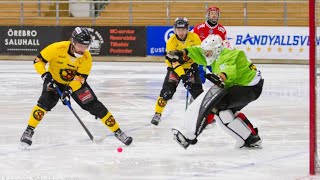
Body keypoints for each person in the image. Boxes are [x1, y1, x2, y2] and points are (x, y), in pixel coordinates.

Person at [20, 27, 133, 148]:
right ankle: (28, 131)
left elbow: (80, 79)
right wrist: (45, 75)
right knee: (44, 104)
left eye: (86, 46)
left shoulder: (86, 58)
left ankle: (118, 132)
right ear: (73, 42)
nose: (83, 50)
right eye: (80, 46)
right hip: (54, 81)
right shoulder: (57, 48)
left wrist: (69, 90)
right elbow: (38, 61)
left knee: (96, 107)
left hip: (75, 83)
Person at [168, 34, 264, 149]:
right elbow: (198, 51)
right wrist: (182, 52)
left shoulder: (227, 55)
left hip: (250, 87)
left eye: (208, 52)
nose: (206, 54)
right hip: (241, 84)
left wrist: (221, 77)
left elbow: (229, 69)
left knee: (217, 107)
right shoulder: (215, 52)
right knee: (224, 114)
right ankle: (252, 138)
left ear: (216, 49)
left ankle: (190, 135)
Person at [151, 17, 203, 126]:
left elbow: (199, 53)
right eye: (178, 30)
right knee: (166, 92)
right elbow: (174, 62)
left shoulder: (195, 38)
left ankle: (202, 114)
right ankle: (157, 113)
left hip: (191, 67)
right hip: (175, 68)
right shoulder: (171, 41)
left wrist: (194, 65)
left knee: (198, 94)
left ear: (187, 29)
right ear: (175, 30)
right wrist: (184, 77)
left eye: (183, 29)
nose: (181, 32)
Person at [193, 5, 228, 84]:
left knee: (221, 76)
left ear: (218, 15)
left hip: (214, 58)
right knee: (200, 79)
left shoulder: (222, 30)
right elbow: (190, 40)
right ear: (208, 15)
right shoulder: (198, 28)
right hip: (201, 58)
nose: (214, 15)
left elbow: (225, 45)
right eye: (212, 13)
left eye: (215, 13)